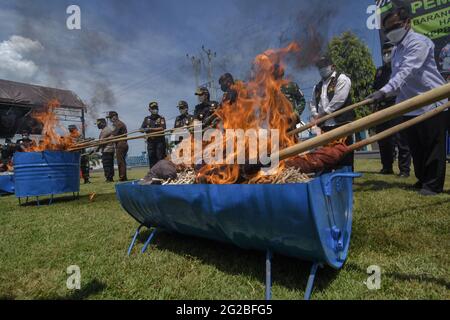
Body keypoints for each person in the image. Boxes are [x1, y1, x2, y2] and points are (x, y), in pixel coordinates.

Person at [369, 3, 447, 196]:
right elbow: (400, 81)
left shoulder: (419, 43)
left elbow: (406, 72)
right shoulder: (396, 51)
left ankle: (433, 185)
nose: (391, 32)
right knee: (416, 148)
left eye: (395, 26)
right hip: (409, 106)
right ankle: (422, 179)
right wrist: (386, 98)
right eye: (387, 29)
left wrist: (383, 91)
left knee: (432, 147)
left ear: (407, 23)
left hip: (431, 103)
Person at [309, 56, 356, 169]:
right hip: (325, 126)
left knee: (344, 152)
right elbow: (312, 103)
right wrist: (316, 115)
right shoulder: (317, 86)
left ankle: (346, 177)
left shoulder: (342, 79)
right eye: (319, 66)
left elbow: (339, 100)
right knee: (328, 154)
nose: (322, 68)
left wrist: (322, 115)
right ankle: (330, 178)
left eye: (324, 65)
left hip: (341, 123)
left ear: (332, 66)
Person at [373, 42, 411, 177]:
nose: (386, 55)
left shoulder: (399, 68)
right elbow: (376, 89)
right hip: (382, 108)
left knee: (401, 139)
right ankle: (387, 166)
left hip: (397, 105)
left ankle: (404, 170)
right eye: (384, 53)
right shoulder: (379, 71)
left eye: (389, 52)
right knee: (383, 139)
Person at [141, 102, 167, 169]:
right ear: (149, 109)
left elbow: (162, 128)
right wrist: (142, 129)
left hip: (159, 142)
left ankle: (161, 175)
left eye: (156, 108)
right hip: (150, 142)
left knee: (160, 158)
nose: (155, 109)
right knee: (151, 158)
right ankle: (153, 174)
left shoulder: (161, 118)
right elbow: (141, 128)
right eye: (153, 108)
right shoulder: (146, 119)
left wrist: (150, 129)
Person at [107, 111, 129, 182]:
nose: (110, 119)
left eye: (111, 117)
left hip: (121, 144)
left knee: (120, 161)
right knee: (121, 161)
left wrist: (104, 139)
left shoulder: (118, 124)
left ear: (115, 116)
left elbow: (113, 135)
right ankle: (123, 176)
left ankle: (122, 177)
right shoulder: (117, 124)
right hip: (121, 143)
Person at [96, 118, 115, 182]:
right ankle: (110, 178)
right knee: (109, 164)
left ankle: (109, 178)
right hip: (109, 149)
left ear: (103, 123)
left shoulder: (105, 130)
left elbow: (101, 142)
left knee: (107, 165)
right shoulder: (106, 129)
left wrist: (95, 149)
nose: (97, 125)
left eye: (98, 124)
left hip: (107, 150)